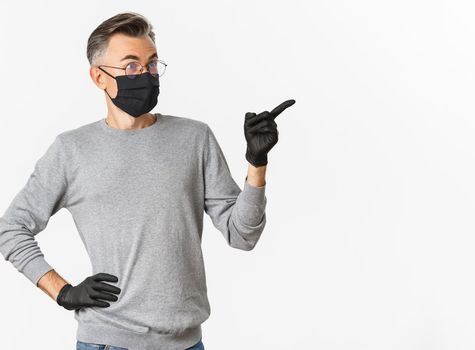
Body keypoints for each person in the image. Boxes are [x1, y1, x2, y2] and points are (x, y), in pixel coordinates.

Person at [0, 12, 295, 350]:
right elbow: (11, 228)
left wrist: (256, 162)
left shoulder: (194, 138)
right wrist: (63, 291)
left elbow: (242, 235)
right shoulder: (72, 150)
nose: (145, 74)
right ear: (99, 78)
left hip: (186, 342)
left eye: (152, 64)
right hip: (107, 341)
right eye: (131, 66)